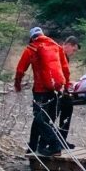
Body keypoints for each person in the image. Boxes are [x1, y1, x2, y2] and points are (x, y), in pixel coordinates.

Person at [15, 26, 68, 157]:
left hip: (40, 90)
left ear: (32, 38)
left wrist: (17, 84)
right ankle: (33, 146)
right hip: (56, 88)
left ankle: (55, 146)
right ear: (43, 34)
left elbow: (20, 69)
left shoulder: (31, 48)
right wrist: (66, 85)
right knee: (41, 118)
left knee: (40, 120)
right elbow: (65, 68)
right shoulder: (56, 47)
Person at [56, 35, 81, 149]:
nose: (73, 53)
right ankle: (50, 141)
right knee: (52, 115)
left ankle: (61, 140)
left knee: (67, 108)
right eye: (74, 50)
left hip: (61, 88)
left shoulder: (65, 56)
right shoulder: (58, 53)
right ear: (69, 45)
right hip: (55, 89)